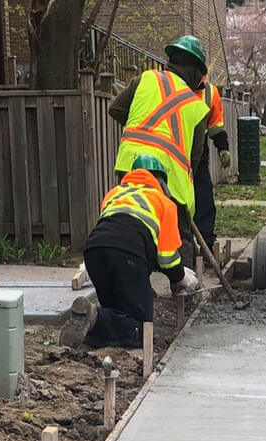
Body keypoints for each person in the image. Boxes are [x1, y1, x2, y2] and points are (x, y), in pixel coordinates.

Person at [60, 156, 199, 348]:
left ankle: (89, 325)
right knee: (141, 329)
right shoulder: (164, 202)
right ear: (162, 182)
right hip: (127, 254)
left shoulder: (114, 193)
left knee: (117, 310)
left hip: (94, 251)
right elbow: (167, 257)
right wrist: (181, 276)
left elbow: (114, 229)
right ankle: (94, 318)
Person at [109, 35, 210, 266]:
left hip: (131, 166)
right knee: (177, 235)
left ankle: (135, 283)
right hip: (171, 181)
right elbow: (193, 159)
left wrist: (142, 127)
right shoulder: (196, 107)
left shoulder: (144, 80)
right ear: (195, 71)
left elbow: (116, 109)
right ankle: (184, 292)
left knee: (133, 224)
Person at [193, 78, 232, 252]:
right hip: (172, 155)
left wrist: (223, 148)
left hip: (198, 155)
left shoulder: (209, 92)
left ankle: (205, 246)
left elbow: (215, 124)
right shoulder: (170, 85)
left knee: (204, 201)